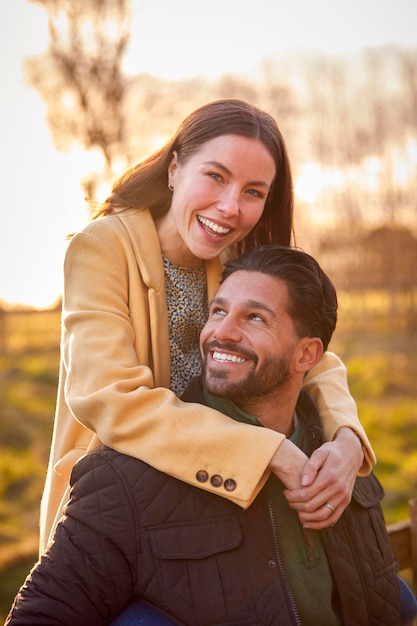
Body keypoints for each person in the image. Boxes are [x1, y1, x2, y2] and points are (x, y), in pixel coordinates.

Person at [7, 245, 415, 625]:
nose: (222, 332)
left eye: (254, 318)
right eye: (218, 311)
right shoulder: (124, 481)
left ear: (306, 354)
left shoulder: (341, 459)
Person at [39, 98, 375, 554]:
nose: (230, 206)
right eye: (215, 176)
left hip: (212, 504)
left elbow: (316, 358)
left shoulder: (236, 262)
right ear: (175, 169)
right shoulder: (101, 248)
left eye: (254, 192)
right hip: (114, 508)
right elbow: (108, 398)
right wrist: (266, 451)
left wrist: (348, 442)